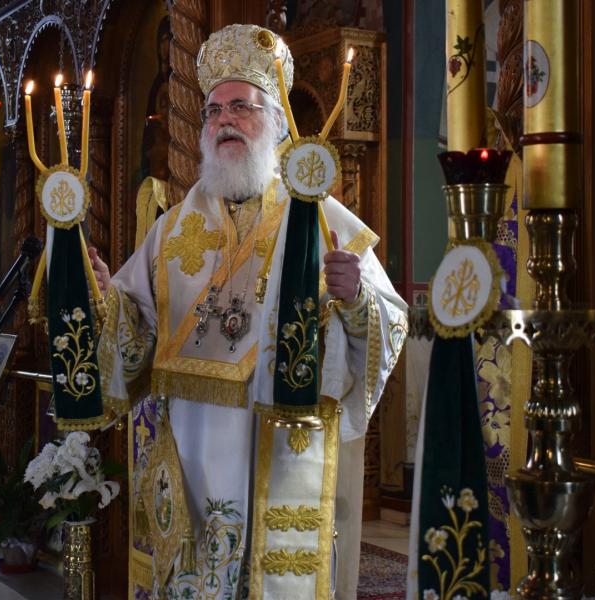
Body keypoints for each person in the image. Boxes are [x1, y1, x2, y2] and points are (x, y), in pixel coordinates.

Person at [91, 24, 407, 598]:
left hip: (277, 454)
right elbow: (134, 334)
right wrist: (103, 299)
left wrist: (356, 298)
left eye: (241, 106)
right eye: (213, 111)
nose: (224, 121)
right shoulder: (171, 230)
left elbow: (391, 321)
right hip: (189, 456)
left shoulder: (320, 219)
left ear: (279, 123)